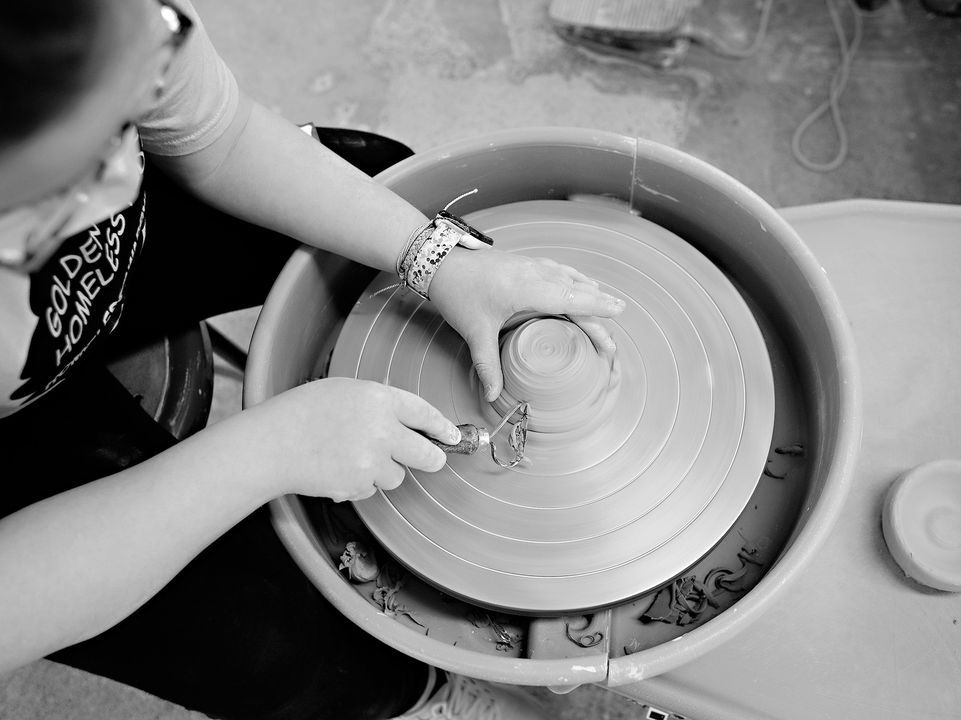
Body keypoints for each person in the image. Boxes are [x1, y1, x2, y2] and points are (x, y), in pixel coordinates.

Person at [0, 1, 624, 718]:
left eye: (117, 132)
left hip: (79, 278)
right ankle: (413, 696)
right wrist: (265, 452)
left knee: (380, 179)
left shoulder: (96, 20)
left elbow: (221, 137)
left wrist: (438, 260)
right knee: (278, 641)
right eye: (64, 179)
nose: (120, 176)